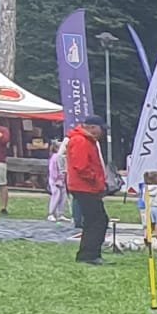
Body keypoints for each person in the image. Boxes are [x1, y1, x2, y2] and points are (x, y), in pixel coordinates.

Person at [67, 114, 110, 265]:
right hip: (84, 186)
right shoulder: (81, 141)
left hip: (85, 186)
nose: (102, 132)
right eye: (101, 129)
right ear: (92, 127)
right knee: (97, 220)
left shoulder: (84, 140)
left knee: (95, 220)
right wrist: (96, 179)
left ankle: (89, 254)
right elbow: (81, 167)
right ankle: (89, 255)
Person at [46, 137, 69, 223]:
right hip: (55, 181)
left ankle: (60, 213)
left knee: (63, 196)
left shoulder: (64, 157)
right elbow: (53, 170)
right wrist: (56, 180)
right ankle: (51, 213)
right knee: (56, 195)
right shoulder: (55, 157)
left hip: (62, 180)